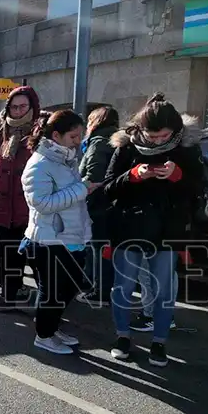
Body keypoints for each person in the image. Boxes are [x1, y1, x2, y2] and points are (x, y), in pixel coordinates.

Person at [103, 93, 203, 366]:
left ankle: (159, 343)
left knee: (163, 291)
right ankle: (122, 337)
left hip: (168, 231)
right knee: (123, 287)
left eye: (164, 137)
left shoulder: (187, 148)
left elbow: (198, 190)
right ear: (140, 129)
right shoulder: (127, 147)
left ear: (176, 131)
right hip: (129, 228)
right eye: (152, 136)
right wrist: (133, 175)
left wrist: (178, 176)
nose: (158, 142)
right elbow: (108, 188)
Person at [21, 110, 92, 354]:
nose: (78, 141)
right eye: (73, 136)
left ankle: (51, 327)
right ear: (56, 136)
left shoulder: (66, 159)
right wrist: (82, 189)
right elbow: (42, 203)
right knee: (52, 292)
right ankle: (44, 335)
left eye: (80, 136)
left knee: (70, 287)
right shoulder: (39, 164)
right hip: (48, 240)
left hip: (71, 237)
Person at [0, 86, 42, 312]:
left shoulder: (40, 135)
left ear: (32, 107)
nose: (18, 111)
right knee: (7, 257)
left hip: (31, 210)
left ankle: (50, 301)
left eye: (23, 106)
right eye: (14, 107)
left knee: (37, 258)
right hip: (1, 209)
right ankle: (8, 297)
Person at [76, 106, 119, 307]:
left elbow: (93, 176)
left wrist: (79, 193)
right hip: (110, 203)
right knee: (104, 249)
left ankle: (99, 291)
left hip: (97, 204)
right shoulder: (116, 141)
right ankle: (99, 286)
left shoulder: (99, 143)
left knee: (98, 248)